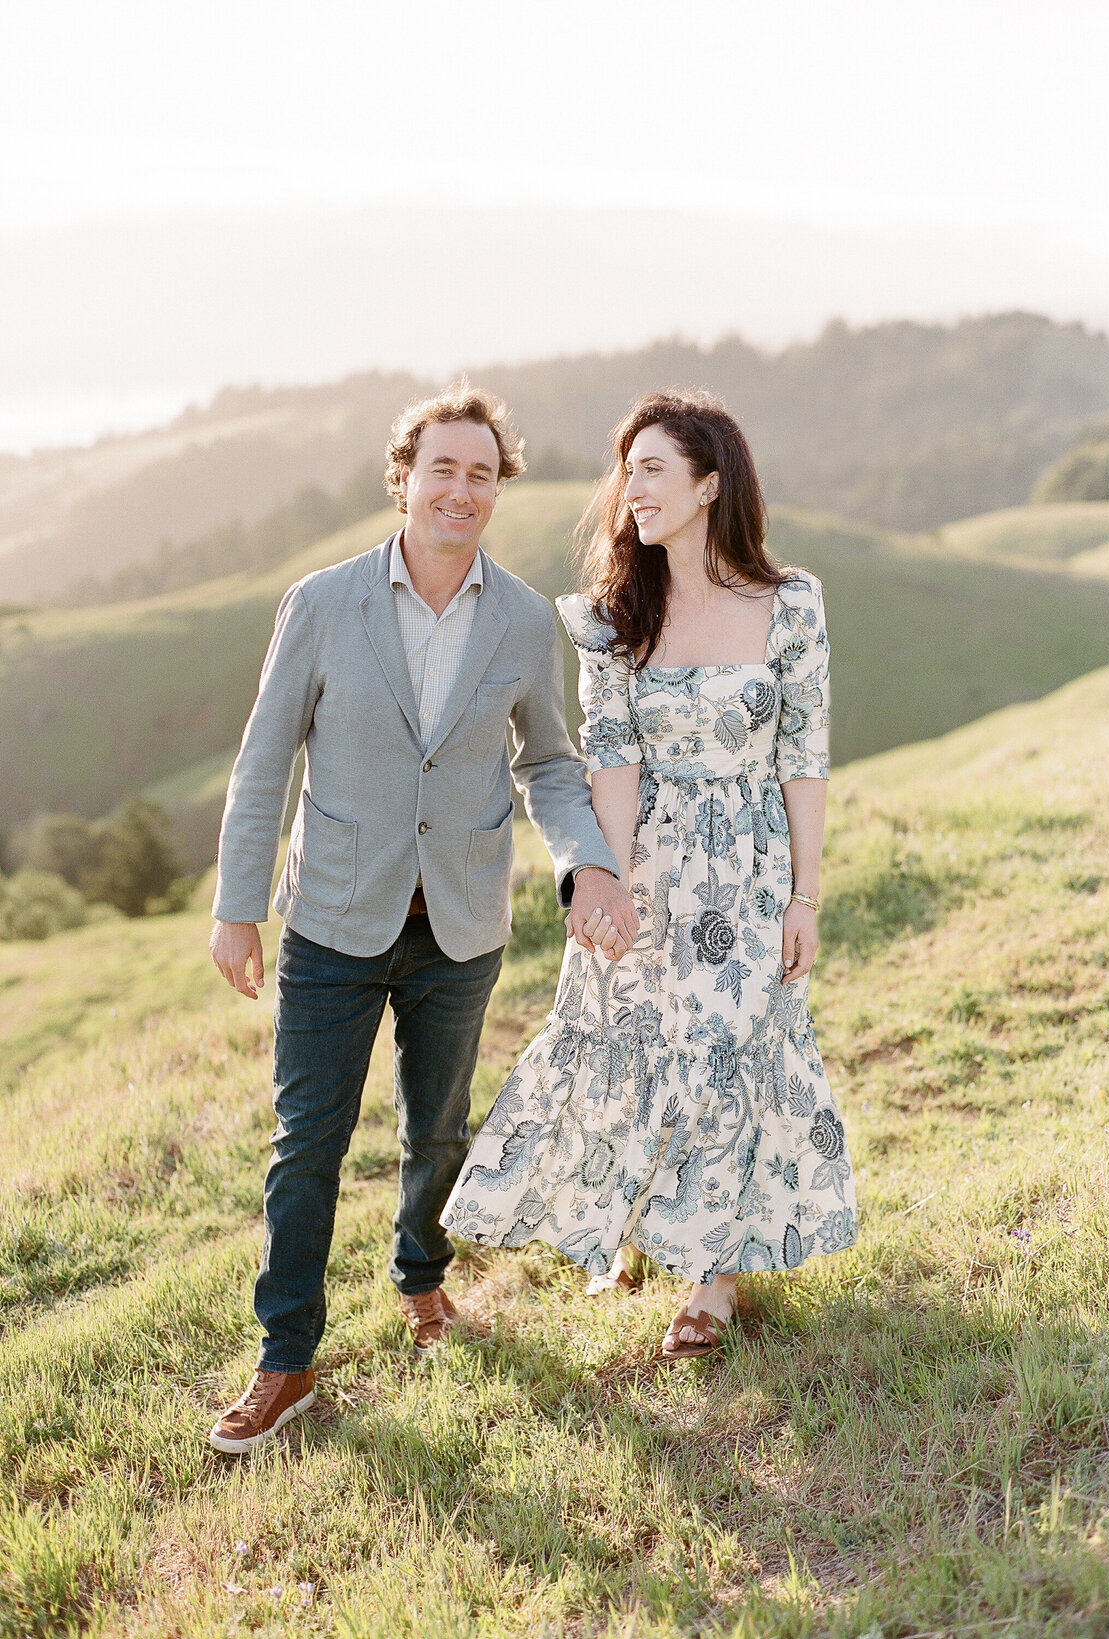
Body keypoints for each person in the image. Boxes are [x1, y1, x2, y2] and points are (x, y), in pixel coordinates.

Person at [206, 384, 634, 1453]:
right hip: (331, 920)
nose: (461, 488)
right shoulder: (321, 602)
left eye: (481, 473)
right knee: (308, 1140)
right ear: (404, 479)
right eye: (441, 468)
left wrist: (586, 864)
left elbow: (547, 762)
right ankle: (287, 1358)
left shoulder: (526, 618)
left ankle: (419, 1277)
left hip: (461, 919)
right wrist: (237, 908)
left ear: (499, 488)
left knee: (439, 1126)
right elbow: (263, 768)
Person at [441, 390, 857, 1360]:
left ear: (712, 484)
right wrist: (606, 883)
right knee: (630, 1041)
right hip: (656, 868)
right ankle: (633, 1222)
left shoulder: (790, 604)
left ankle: (713, 1278)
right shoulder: (612, 618)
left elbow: (806, 756)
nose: (633, 487)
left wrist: (805, 896)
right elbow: (612, 764)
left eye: (655, 467)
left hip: (751, 872)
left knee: (727, 1053)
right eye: (627, 469)